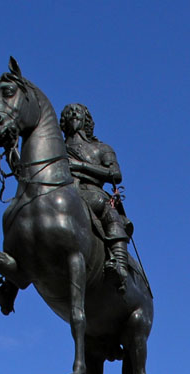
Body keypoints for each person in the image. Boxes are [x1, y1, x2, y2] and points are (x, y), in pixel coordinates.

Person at [59, 103, 132, 292]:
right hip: (63, 192)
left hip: (92, 193)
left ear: (86, 121)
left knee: (109, 211)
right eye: (69, 113)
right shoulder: (55, 149)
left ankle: (119, 265)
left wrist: (81, 166)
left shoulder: (101, 148)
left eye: (78, 112)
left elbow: (115, 174)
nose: (74, 114)